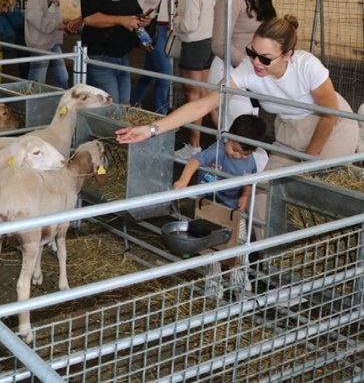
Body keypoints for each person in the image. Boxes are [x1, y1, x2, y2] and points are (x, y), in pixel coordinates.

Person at [117, 15, 358, 239]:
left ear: (287, 55)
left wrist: (309, 161)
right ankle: (272, 257)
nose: (256, 62)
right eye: (252, 52)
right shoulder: (248, 69)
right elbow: (203, 105)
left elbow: (330, 114)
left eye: (265, 58)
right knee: (262, 193)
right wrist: (150, 129)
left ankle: (324, 248)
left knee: (316, 193)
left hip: (331, 127)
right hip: (289, 129)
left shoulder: (307, 66)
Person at [209, 0, 277, 129]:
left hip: (250, 71)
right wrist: (252, 65)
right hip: (230, 69)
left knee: (245, 131)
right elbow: (219, 44)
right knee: (237, 134)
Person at [79, 0, 151, 103]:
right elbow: (89, 18)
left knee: (123, 106)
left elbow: (134, 14)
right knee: (110, 107)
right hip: (101, 58)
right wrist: (121, 20)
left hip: (123, 57)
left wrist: (142, 20)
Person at [173, 0, 217, 159]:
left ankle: (194, 145)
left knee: (193, 96)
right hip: (210, 44)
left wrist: (176, 21)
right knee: (205, 95)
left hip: (194, 45)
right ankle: (225, 137)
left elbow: (189, 24)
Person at [173, 114, 267, 211]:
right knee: (199, 217)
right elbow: (195, 159)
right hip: (204, 198)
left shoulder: (251, 162)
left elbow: (249, 182)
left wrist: (244, 196)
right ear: (229, 137)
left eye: (245, 154)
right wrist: (184, 180)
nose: (238, 155)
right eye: (234, 150)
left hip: (230, 204)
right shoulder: (218, 150)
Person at [130, 0, 173, 114]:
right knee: (165, 73)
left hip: (160, 29)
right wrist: (142, 34)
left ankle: (131, 106)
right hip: (153, 30)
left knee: (149, 75)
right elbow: (137, 8)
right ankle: (161, 115)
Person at [25, 0, 68, 89]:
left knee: (62, 78)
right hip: (41, 43)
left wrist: (59, 25)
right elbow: (34, 16)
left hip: (52, 40)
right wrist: (55, 25)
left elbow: (51, 12)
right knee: (37, 81)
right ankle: (32, 102)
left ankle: (60, 100)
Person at [0, 0, 34, 79]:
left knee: (36, 58)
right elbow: (5, 1)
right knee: (23, 58)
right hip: (19, 26)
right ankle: (25, 82)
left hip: (35, 27)